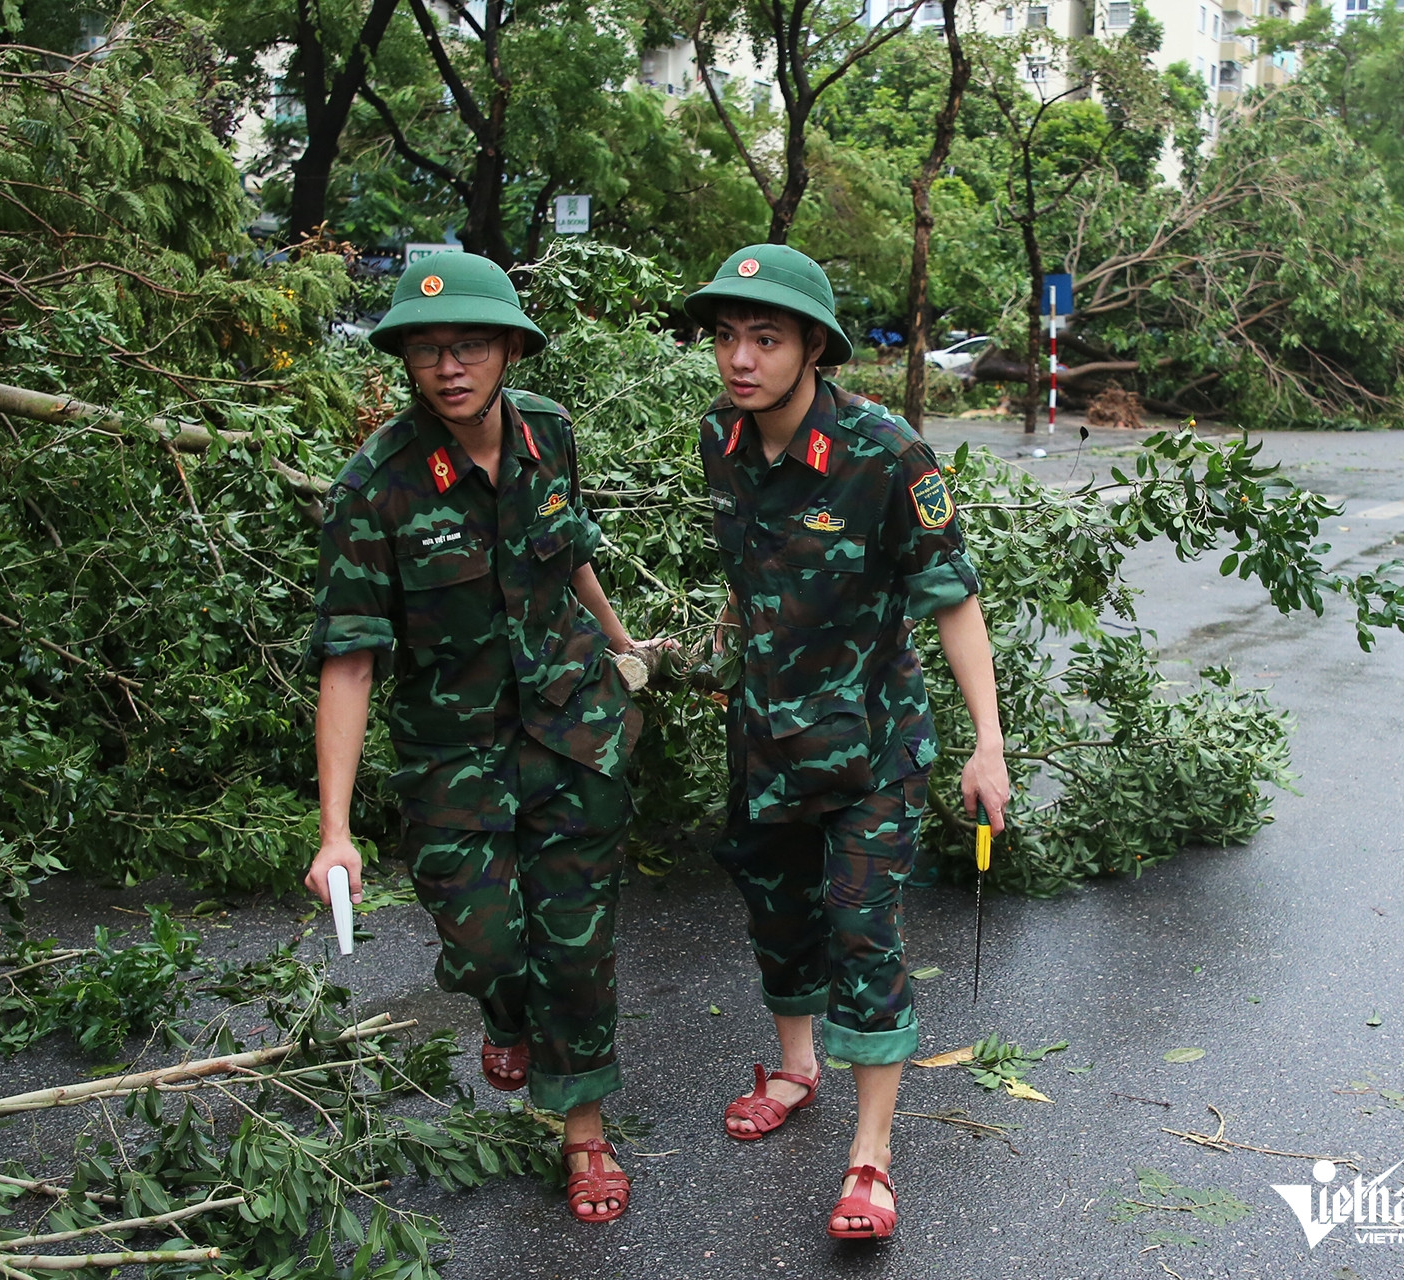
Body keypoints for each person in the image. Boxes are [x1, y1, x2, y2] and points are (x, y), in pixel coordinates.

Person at [303, 253, 654, 1223]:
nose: (447, 364)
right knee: (491, 946)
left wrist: (626, 649)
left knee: (576, 948)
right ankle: (505, 1009)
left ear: (508, 346)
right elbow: (349, 660)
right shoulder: (375, 488)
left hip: (574, 731)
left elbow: (569, 550)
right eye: (425, 347)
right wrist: (336, 829)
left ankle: (584, 1134)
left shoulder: (550, 432)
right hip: (454, 756)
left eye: (466, 343)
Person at [683, 244, 1011, 1241]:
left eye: (766, 337)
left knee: (861, 927)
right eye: (728, 336)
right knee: (780, 915)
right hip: (767, 738)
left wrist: (986, 745)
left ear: (814, 347)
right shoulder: (718, 438)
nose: (741, 357)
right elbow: (749, 580)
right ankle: (794, 1065)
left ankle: (870, 1157)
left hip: (873, 747)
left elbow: (953, 602)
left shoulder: (885, 452)